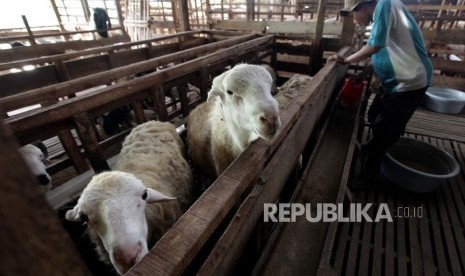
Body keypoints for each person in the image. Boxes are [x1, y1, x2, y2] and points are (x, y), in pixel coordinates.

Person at [330, 0, 433, 190]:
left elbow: (375, 46)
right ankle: (382, 138)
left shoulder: (385, 4)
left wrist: (346, 60)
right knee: (374, 113)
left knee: (384, 129)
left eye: (353, 15)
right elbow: (384, 50)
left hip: (410, 82)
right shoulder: (383, 14)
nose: (354, 20)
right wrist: (365, 72)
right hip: (395, 82)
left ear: (361, 7)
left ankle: (369, 176)